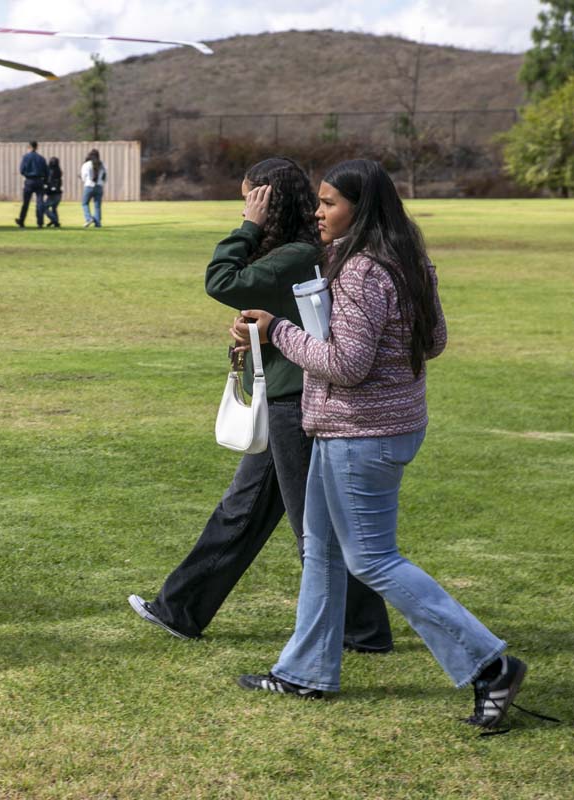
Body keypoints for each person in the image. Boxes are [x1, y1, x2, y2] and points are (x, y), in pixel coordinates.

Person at [231, 159, 526, 729]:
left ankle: (490, 665)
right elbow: (434, 340)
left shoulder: (361, 270)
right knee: (321, 548)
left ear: (360, 209)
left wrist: (277, 330)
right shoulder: (407, 258)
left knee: (372, 558)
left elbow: (347, 365)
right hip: (377, 427)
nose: (317, 212)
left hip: (360, 434)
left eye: (329, 203)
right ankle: (304, 671)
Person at [128, 157, 393, 652]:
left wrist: (247, 228)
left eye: (251, 199)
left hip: (296, 404)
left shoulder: (298, 252)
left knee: (314, 528)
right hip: (287, 400)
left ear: (269, 202)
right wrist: (253, 334)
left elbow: (221, 281)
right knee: (244, 512)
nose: (244, 208)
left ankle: (362, 631)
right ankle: (179, 609)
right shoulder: (302, 250)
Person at [15, 140, 47, 228]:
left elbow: (22, 170)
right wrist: (45, 181)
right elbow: (46, 171)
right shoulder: (41, 158)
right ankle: (40, 222)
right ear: (37, 147)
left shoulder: (26, 157)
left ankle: (21, 221)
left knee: (26, 202)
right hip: (39, 181)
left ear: (29, 147)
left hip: (29, 181)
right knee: (40, 202)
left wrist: (27, 174)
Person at [80, 149, 106, 228]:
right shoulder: (103, 164)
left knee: (84, 203)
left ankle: (88, 218)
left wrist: (85, 180)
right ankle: (98, 223)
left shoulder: (86, 164)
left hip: (89, 185)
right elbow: (105, 177)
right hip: (99, 186)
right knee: (97, 205)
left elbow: (84, 177)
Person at [41, 157, 63, 229]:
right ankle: (55, 222)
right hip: (58, 193)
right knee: (54, 208)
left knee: (44, 207)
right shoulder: (59, 171)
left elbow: (48, 181)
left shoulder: (50, 171)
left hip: (53, 194)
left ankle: (54, 220)